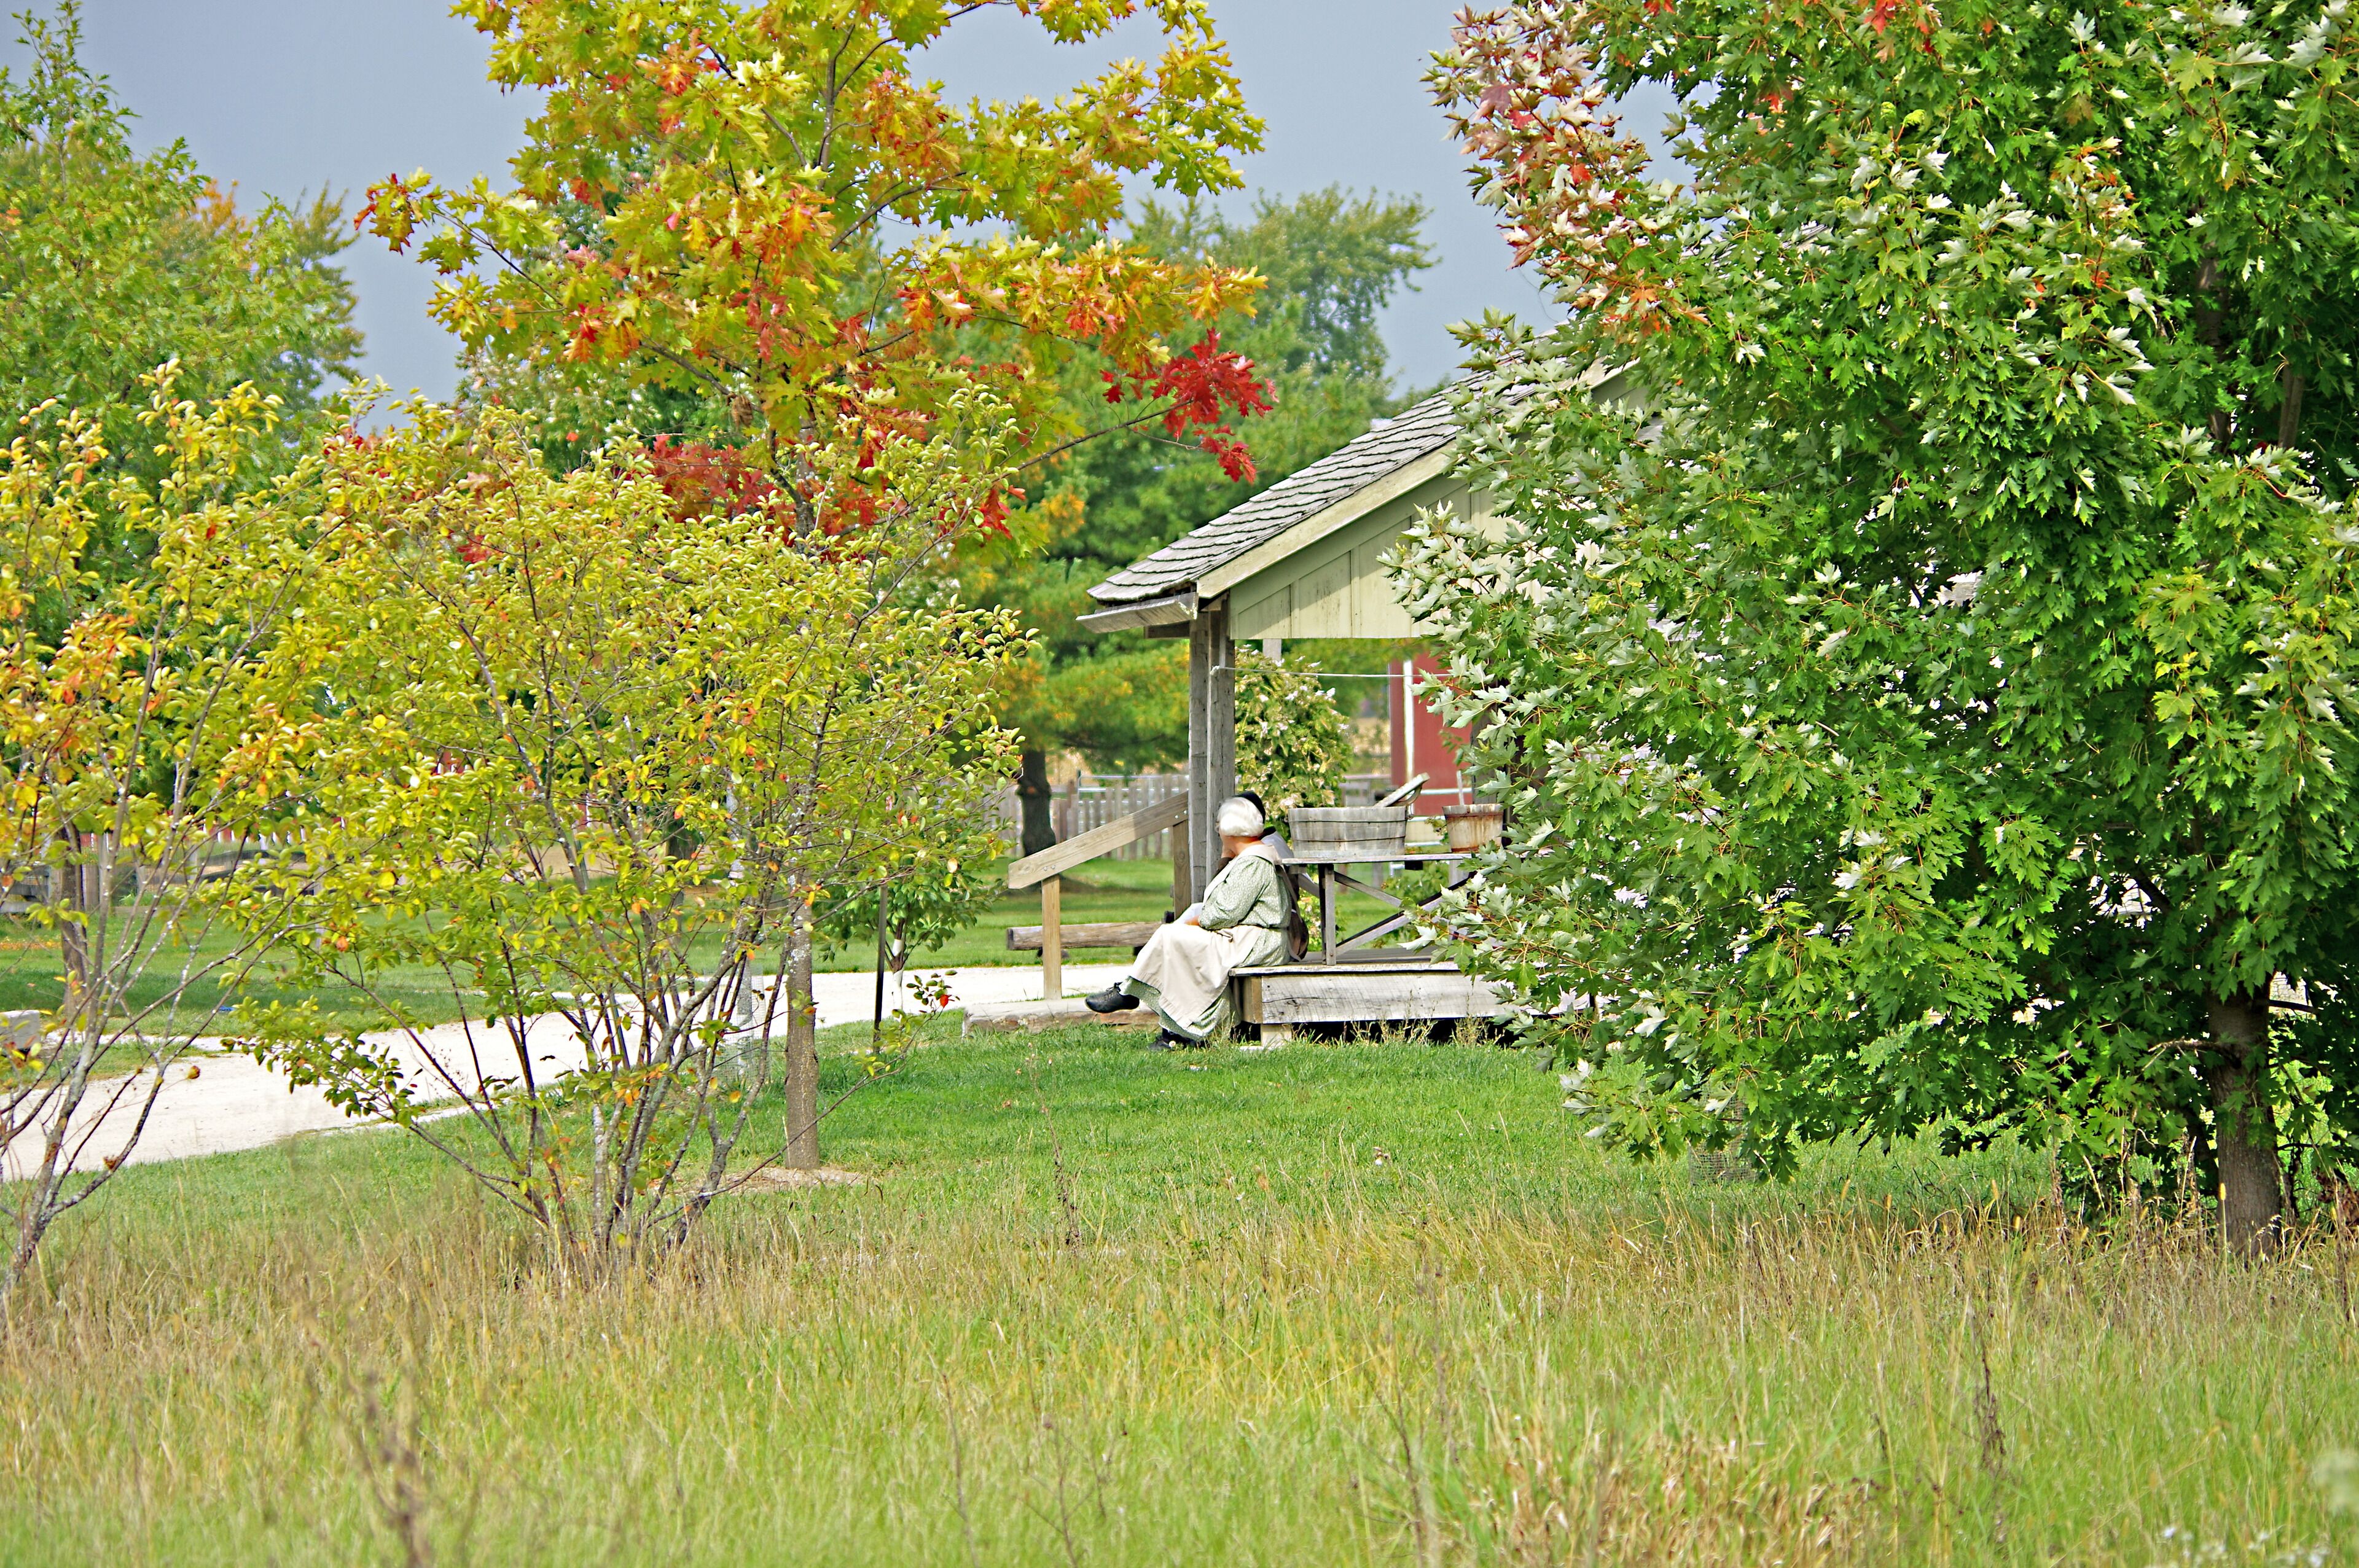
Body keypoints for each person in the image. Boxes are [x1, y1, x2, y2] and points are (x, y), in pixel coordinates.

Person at [1085, 796, 1290, 1047]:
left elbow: (1221, 914)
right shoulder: (1249, 857)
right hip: (1246, 938)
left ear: (1229, 828)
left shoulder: (1254, 862)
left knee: (1171, 937)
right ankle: (1156, 1016)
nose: (1217, 831)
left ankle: (1135, 997)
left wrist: (1195, 922)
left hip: (1257, 942)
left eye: (1219, 825)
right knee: (1173, 940)